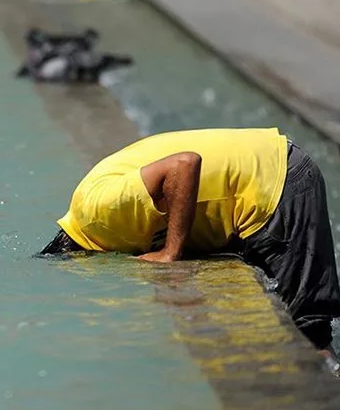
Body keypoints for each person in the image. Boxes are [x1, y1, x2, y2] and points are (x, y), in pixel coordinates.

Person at [41, 128, 340, 358]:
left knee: (308, 335)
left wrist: (170, 253)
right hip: (265, 174)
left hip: (276, 184)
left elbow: (184, 164)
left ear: (80, 258)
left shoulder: (98, 214)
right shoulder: (89, 210)